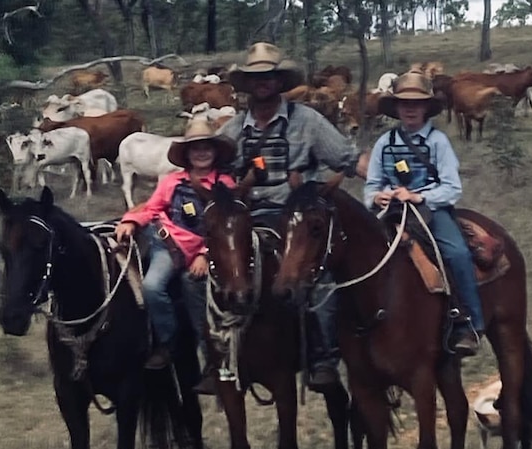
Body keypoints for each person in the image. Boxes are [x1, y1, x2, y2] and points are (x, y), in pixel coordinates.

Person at [208, 42, 369, 393]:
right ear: (247, 85)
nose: (263, 82)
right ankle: (216, 356)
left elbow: (346, 158)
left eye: (269, 76)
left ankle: (324, 357)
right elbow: (212, 174)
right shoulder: (233, 130)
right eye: (256, 77)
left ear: (280, 81)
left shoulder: (307, 120)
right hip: (251, 217)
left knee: (322, 277)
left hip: (297, 215)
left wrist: (383, 180)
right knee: (208, 273)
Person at [363, 71, 484, 356]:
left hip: (430, 210)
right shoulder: (384, 142)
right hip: (392, 210)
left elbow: (452, 188)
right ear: (396, 109)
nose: (410, 109)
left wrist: (419, 196)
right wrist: (376, 197)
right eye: (404, 104)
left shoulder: (438, 141)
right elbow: (371, 185)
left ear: (426, 108)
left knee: (456, 253)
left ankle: (469, 322)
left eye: (416, 104)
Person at [115, 119, 236, 374]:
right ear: (187, 155)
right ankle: (168, 342)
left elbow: (228, 226)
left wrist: (205, 254)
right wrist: (130, 221)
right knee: (149, 286)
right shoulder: (172, 181)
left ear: (215, 152)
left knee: (199, 299)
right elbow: (152, 208)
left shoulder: (225, 184)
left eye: (206, 147)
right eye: (195, 148)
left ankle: (211, 360)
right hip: (168, 246)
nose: (201, 153)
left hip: (208, 249)